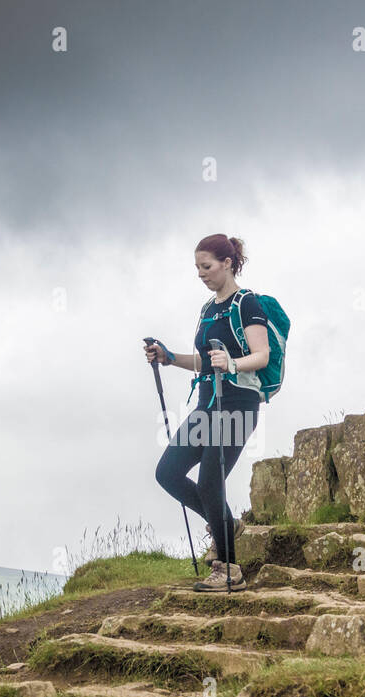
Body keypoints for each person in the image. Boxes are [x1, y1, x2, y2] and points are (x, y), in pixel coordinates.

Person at [143, 233, 270, 592]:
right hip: (207, 405)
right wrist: (169, 358)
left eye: (207, 266)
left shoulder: (248, 303)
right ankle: (226, 525)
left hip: (238, 406)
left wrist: (231, 363)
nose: (201, 273)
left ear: (227, 264)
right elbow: (204, 362)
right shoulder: (208, 309)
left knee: (210, 481)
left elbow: (262, 356)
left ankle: (228, 568)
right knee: (167, 473)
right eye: (197, 267)